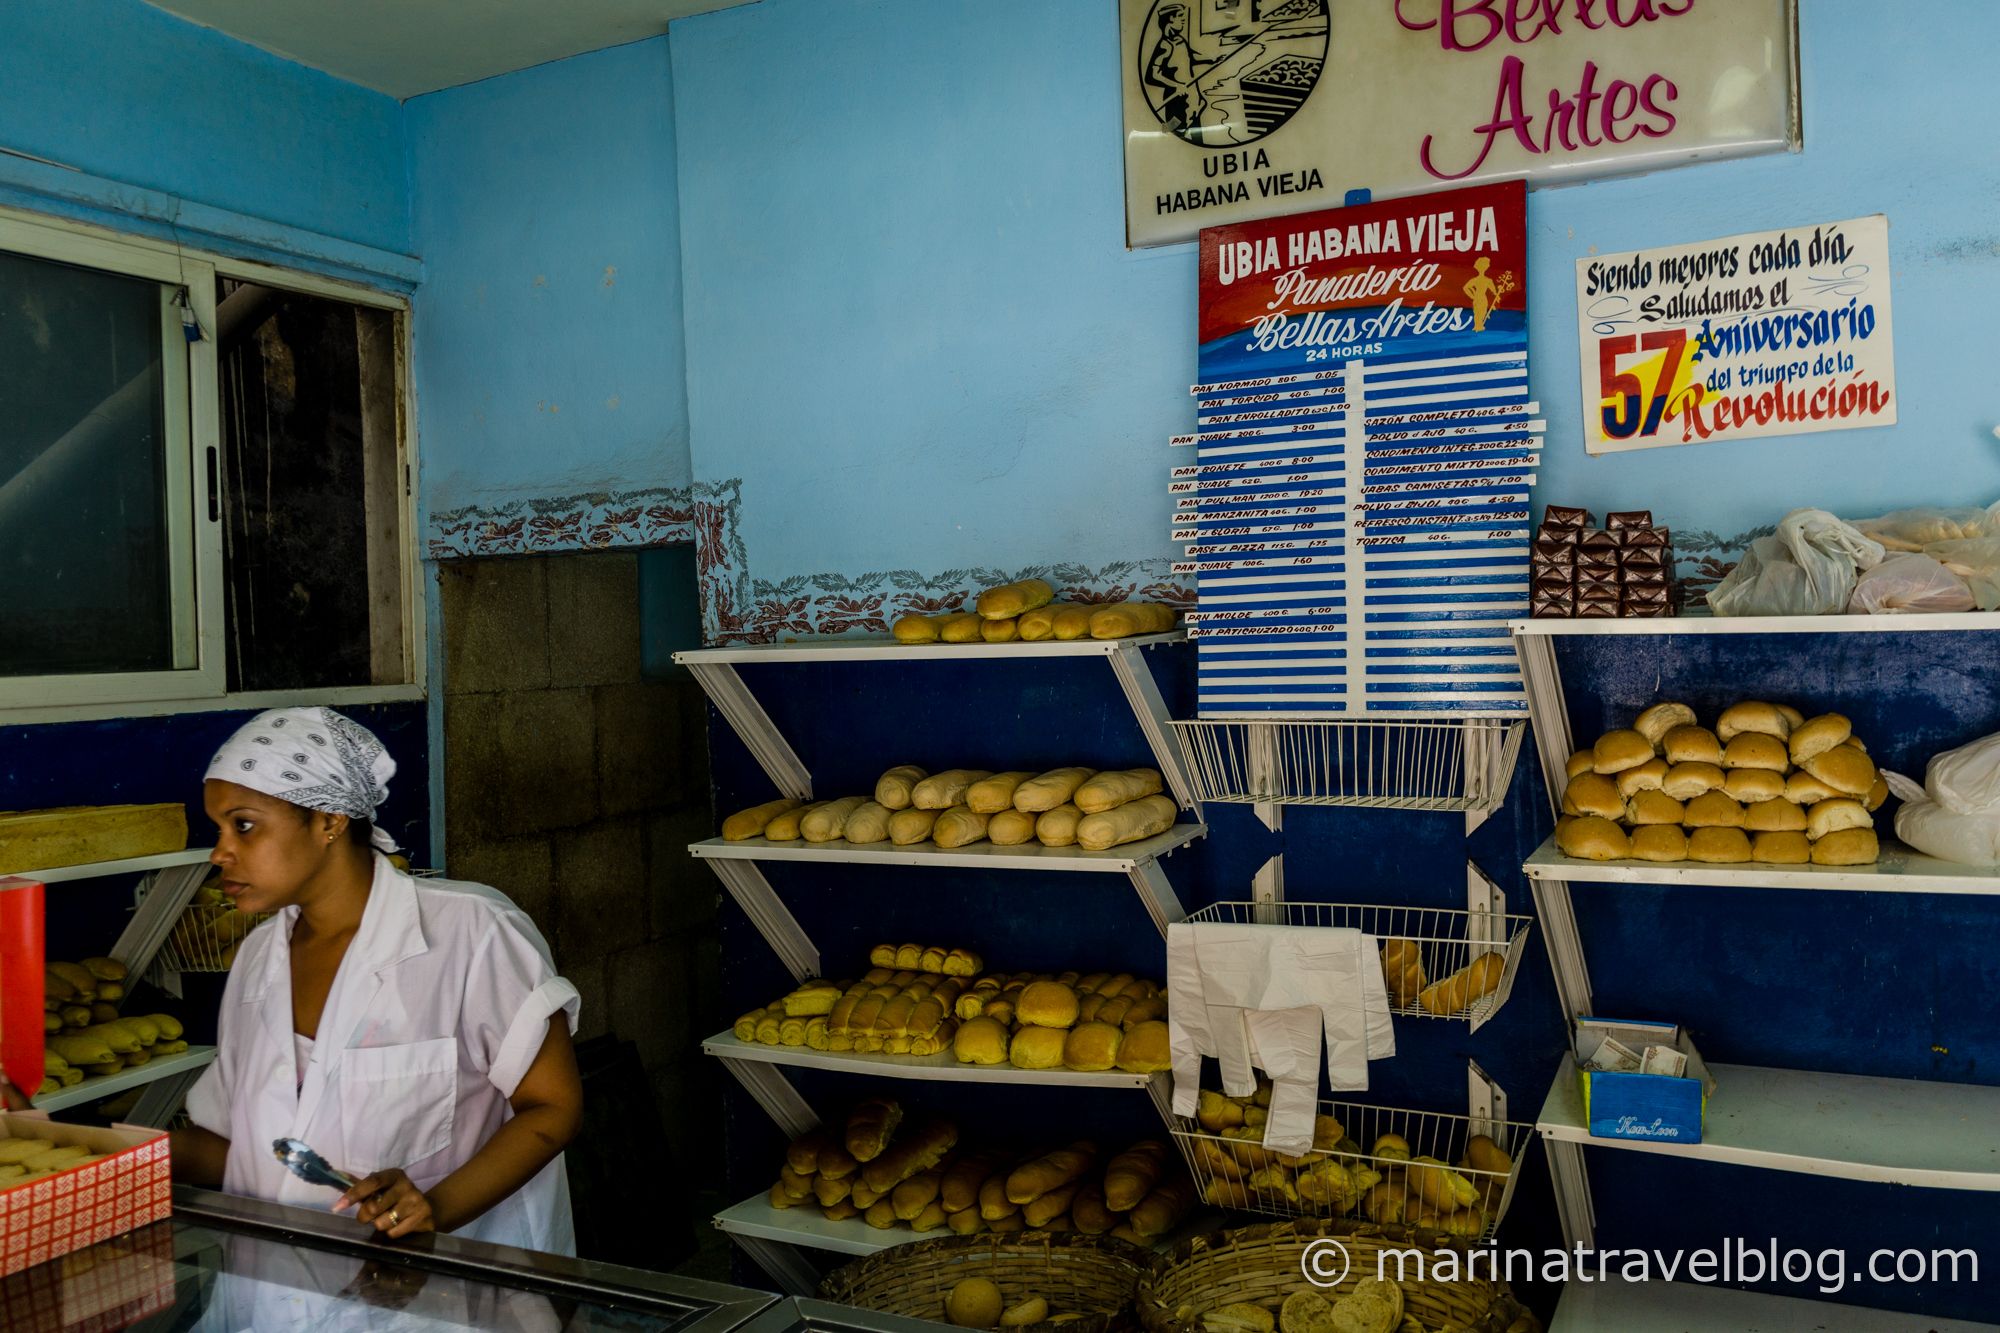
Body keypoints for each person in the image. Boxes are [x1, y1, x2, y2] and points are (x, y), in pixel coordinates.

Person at [169, 707, 583, 1256]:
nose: (221, 852)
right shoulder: (257, 958)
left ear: (328, 821)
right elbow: (239, 1149)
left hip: (448, 1295)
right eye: (219, 829)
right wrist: (81, 1150)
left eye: (244, 825)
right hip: (281, 1292)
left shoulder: (472, 932)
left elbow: (553, 1107)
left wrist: (436, 1208)